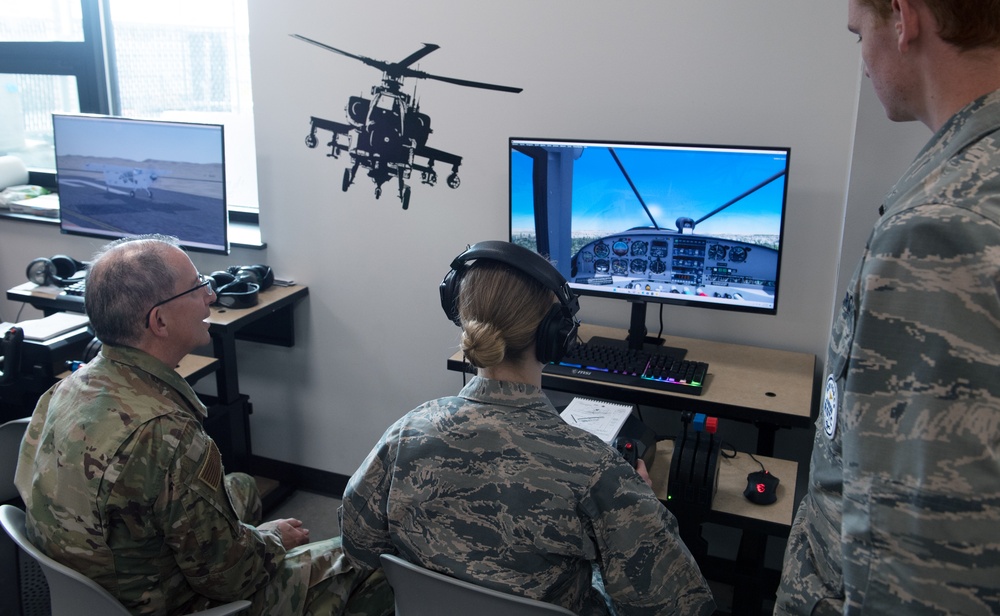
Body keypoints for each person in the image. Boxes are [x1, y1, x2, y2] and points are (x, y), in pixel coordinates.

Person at [14, 235, 392, 616]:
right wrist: (271, 539)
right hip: (166, 605)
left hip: (92, 590)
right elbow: (233, 580)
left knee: (241, 487)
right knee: (372, 561)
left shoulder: (64, 390)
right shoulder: (167, 433)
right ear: (159, 320)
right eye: (198, 287)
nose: (211, 296)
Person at [339, 241, 715, 616]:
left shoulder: (407, 434)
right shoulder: (598, 471)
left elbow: (357, 545)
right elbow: (680, 607)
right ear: (556, 334)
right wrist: (635, 505)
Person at [776, 1, 1000, 613]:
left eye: (857, 36)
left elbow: (921, 579)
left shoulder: (940, 231)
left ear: (903, 18)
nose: (862, 63)